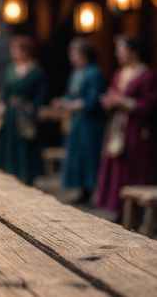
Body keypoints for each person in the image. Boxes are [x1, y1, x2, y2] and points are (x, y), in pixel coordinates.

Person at [96, 35, 157, 216]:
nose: (117, 54)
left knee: (133, 165)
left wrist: (123, 102)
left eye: (121, 49)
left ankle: (136, 211)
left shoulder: (146, 75)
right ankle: (118, 208)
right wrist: (109, 102)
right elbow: (114, 94)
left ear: (134, 51)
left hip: (135, 128)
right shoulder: (118, 74)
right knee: (115, 166)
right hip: (117, 126)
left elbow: (150, 104)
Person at [52, 39, 105, 203]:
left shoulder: (93, 72)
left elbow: (94, 98)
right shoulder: (76, 73)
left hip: (90, 121)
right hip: (77, 120)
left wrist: (77, 104)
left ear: (84, 54)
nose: (71, 57)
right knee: (76, 153)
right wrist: (64, 101)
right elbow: (71, 94)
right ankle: (81, 188)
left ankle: (91, 189)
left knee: (88, 153)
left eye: (74, 53)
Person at [0, 36, 46, 185]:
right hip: (10, 113)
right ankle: (10, 175)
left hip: (25, 114)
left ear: (26, 51)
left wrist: (31, 107)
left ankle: (27, 176)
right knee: (9, 143)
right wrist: (0, 104)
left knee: (26, 143)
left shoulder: (36, 71)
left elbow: (41, 95)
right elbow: (4, 91)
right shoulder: (11, 69)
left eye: (16, 49)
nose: (13, 53)